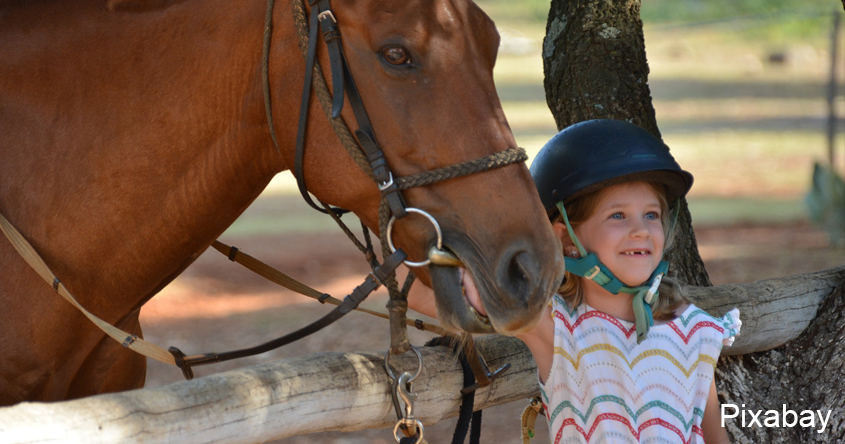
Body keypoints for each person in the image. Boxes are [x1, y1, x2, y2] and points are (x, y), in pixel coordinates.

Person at [409, 119, 740, 443]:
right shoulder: (557, 329)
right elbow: (421, 291)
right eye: (618, 215)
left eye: (651, 214)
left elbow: (713, 434)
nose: (640, 229)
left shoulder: (692, 329)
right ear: (566, 239)